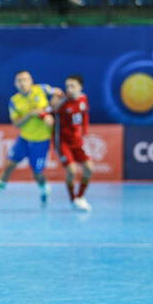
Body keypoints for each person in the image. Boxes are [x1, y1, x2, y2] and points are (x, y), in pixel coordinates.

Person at [0, 71, 61, 211]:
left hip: (41, 141)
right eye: (19, 81)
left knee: (37, 174)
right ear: (15, 84)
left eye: (25, 80)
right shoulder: (14, 101)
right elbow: (16, 123)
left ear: (31, 81)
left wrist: (52, 106)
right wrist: (30, 114)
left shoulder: (42, 89)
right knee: (8, 166)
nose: (23, 83)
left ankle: (44, 190)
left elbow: (59, 92)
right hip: (24, 139)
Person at [51, 74, 93, 211]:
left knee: (89, 169)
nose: (69, 89)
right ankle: (72, 199)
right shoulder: (62, 102)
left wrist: (85, 131)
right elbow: (50, 110)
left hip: (77, 141)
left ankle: (80, 196)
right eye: (67, 86)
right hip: (62, 142)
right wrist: (54, 101)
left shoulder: (83, 98)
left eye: (72, 86)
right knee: (72, 171)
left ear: (80, 87)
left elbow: (85, 114)